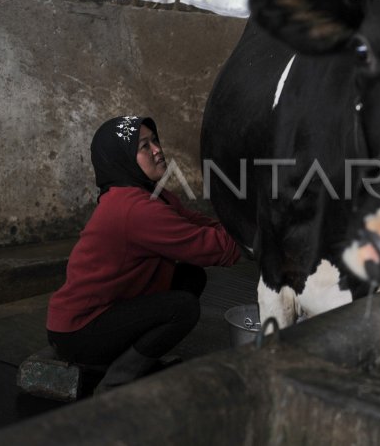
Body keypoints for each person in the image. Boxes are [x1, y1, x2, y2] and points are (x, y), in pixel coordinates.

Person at [46, 115, 240, 394]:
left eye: (155, 141)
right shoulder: (134, 210)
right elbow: (215, 248)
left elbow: (197, 223)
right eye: (143, 146)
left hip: (107, 310)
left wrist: (237, 225)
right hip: (78, 330)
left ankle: (130, 359)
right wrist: (257, 230)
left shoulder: (152, 195)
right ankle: (116, 385)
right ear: (121, 158)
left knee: (189, 277)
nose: (157, 150)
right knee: (182, 307)